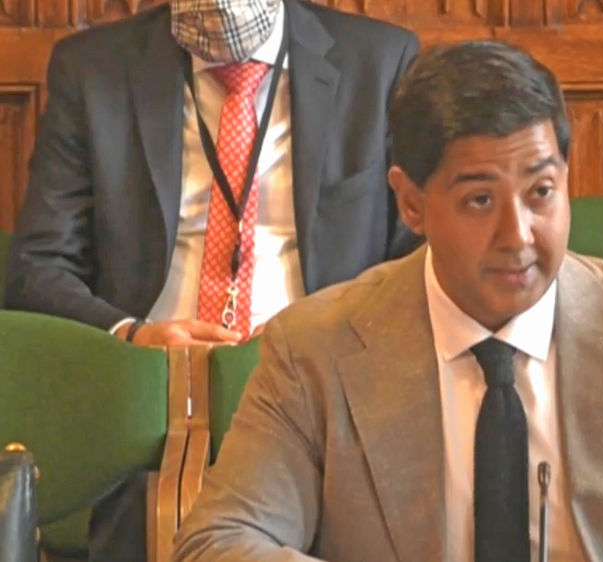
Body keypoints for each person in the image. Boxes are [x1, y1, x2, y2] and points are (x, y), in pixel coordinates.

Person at [173, 41, 603, 561]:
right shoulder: (316, 350)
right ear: (411, 203)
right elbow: (221, 541)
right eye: (480, 200)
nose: (519, 236)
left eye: (541, 192)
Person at [3, 0, 420, 346]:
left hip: (320, 370)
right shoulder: (92, 70)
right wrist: (131, 334)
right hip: (148, 372)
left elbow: (418, 260)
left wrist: (324, 333)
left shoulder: (380, 64)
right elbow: (38, 268)